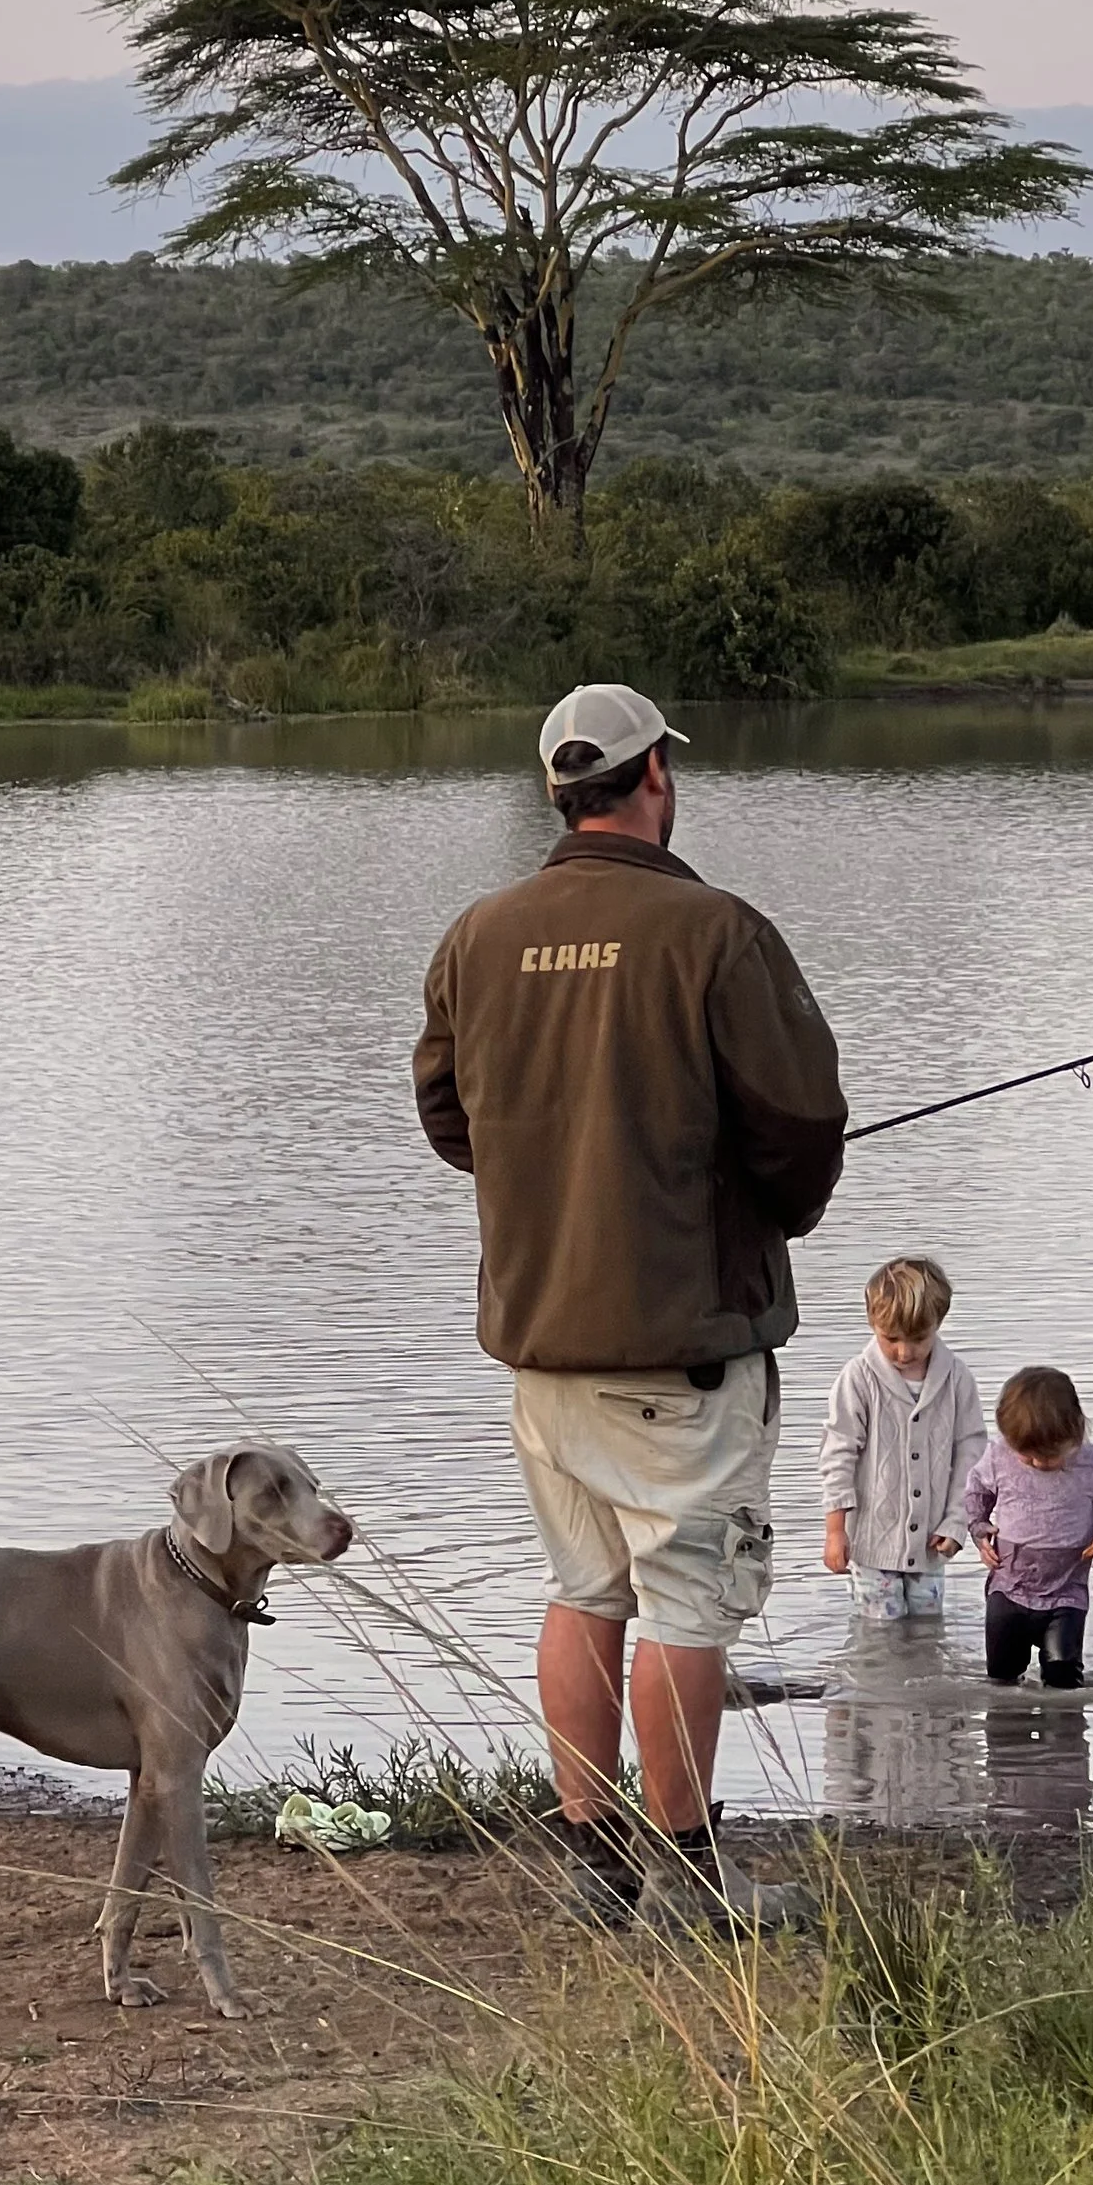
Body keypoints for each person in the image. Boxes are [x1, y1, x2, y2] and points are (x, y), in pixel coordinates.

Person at [413, 684, 847, 1928]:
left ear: (561, 786)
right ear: (653, 775)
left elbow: (450, 1123)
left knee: (582, 1592)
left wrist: (553, 1178)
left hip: (540, 1346)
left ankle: (594, 1864)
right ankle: (690, 1880)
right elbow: (802, 1125)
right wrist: (772, 1214)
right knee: (686, 1611)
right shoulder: (715, 932)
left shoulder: (478, 934)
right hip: (683, 1351)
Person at [818, 1255, 987, 1627]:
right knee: (881, 1635)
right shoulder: (858, 1379)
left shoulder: (957, 1379)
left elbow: (972, 1455)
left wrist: (957, 1522)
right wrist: (835, 1530)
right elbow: (838, 1454)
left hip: (931, 1542)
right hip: (872, 1543)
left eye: (917, 1339)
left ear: (938, 1324)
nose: (903, 1352)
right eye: (890, 1338)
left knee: (927, 1634)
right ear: (872, 1324)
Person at [963, 1366, 1093, 1691]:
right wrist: (979, 1527)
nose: (1038, 1463)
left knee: (1063, 1675)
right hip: (1008, 1587)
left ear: (1076, 1431)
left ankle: (1064, 1737)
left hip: (1066, 1591)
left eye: (1049, 1456)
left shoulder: (1092, 1463)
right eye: (1026, 1455)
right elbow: (976, 1492)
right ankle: (1007, 1736)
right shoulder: (999, 1455)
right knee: (1001, 1677)